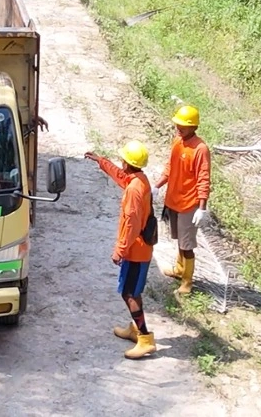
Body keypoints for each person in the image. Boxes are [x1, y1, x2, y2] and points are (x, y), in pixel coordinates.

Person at [84, 141, 156, 360]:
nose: (121, 162)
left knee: (129, 293)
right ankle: (136, 329)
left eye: (123, 159)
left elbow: (132, 224)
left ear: (128, 162)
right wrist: (102, 162)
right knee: (132, 290)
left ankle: (145, 339)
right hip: (140, 248)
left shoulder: (134, 189)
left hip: (136, 250)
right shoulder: (138, 179)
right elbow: (120, 176)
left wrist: (120, 250)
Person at [155, 103, 211, 295]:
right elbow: (170, 166)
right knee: (178, 239)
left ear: (194, 127)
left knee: (187, 245)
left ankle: (187, 282)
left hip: (189, 204)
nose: (178, 128)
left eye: (183, 125)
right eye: (177, 124)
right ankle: (179, 269)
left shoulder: (200, 149)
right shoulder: (177, 142)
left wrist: (201, 207)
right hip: (174, 200)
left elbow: (204, 178)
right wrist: (158, 185)